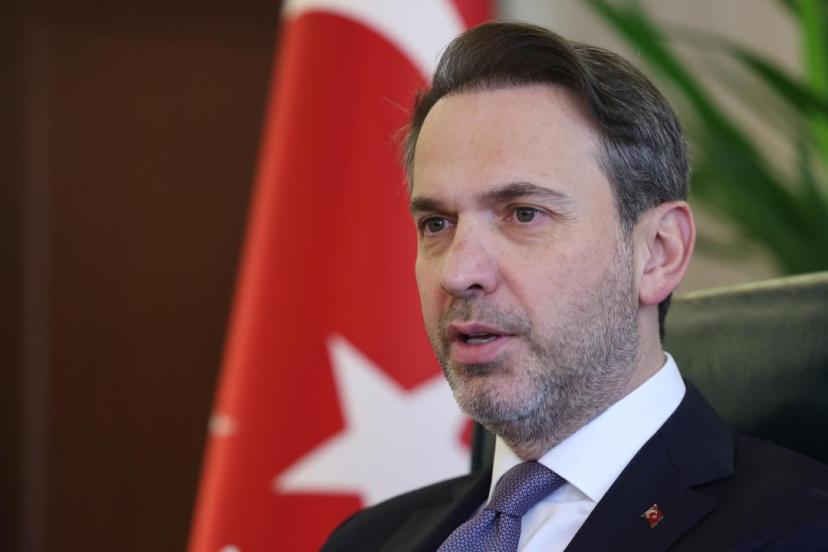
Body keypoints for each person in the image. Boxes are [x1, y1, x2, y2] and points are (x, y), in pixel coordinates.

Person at [322, 22, 828, 551]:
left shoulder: (800, 529)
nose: (458, 272)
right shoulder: (366, 541)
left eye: (524, 213)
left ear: (659, 252)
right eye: (436, 224)